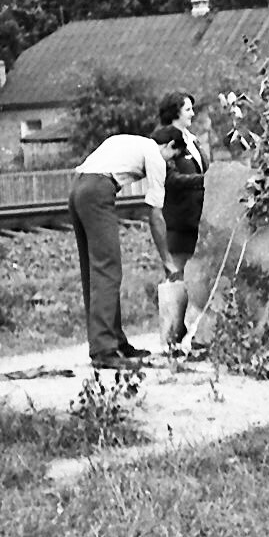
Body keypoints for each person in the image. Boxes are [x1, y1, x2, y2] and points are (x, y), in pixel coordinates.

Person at [70, 128, 183, 369]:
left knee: (94, 271)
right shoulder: (154, 154)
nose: (170, 165)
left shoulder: (133, 141)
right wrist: (167, 260)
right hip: (97, 190)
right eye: (172, 157)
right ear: (170, 145)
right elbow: (155, 215)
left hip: (77, 187)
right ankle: (103, 349)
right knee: (108, 269)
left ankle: (116, 341)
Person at [155, 92, 210, 279]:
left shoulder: (193, 140)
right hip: (179, 221)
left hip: (199, 221)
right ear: (175, 113)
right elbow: (170, 179)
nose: (193, 114)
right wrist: (204, 180)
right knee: (179, 278)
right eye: (188, 109)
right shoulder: (164, 141)